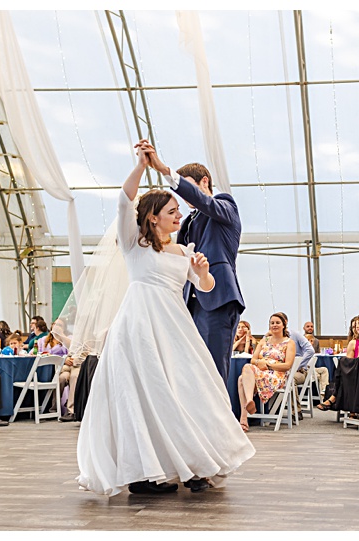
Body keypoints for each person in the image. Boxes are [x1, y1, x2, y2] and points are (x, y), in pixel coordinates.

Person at [76, 149, 253, 495]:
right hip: (145, 321)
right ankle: (152, 467)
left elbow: (204, 280)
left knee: (201, 385)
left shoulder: (222, 208)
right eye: (170, 210)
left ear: (202, 185)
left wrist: (202, 272)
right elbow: (125, 203)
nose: (179, 211)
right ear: (155, 218)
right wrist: (141, 168)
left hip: (196, 313)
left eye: (181, 201)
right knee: (148, 392)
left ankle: (199, 462)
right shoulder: (144, 241)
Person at [140, 141, 244, 377]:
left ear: (204, 182)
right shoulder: (186, 222)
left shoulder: (225, 205)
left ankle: (220, 415)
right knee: (190, 372)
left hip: (217, 300)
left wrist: (166, 172)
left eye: (187, 187)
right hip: (187, 304)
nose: (184, 196)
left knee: (214, 372)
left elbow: (204, 202)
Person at [237, 312, 295, 432]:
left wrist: (268, 365)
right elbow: (253, 359)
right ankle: (248, 403)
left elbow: (288, 365)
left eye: (277, 323)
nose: (274, 325)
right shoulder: (264, 341)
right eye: (272, 323)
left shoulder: (289, 343)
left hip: (276, 375)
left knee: (242, 377)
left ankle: (244, 417)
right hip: (260, 371)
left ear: (283, 325)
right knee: (245, 373)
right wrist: (259, 363)